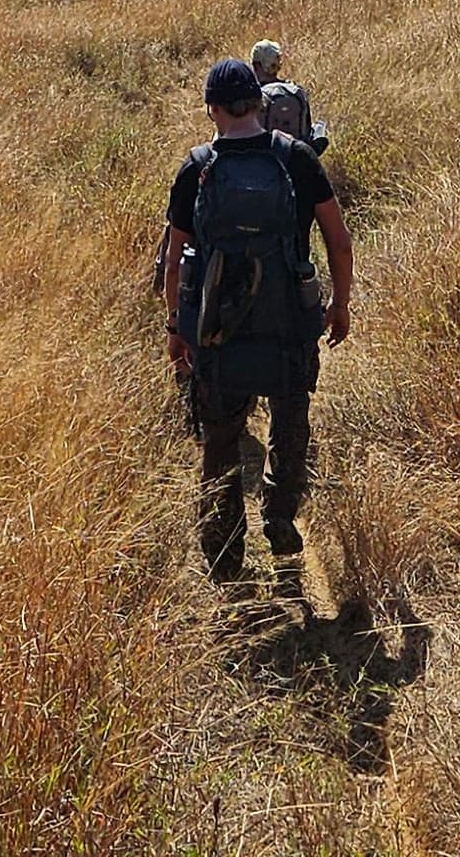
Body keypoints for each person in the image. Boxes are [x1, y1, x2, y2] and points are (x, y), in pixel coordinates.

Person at [160, 57, 353, 580]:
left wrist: (177, 328)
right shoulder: (297, 158)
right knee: (289, 423)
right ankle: (280, 516)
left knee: (221, 441)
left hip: (219, 331)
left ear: (212, 109)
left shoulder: (197, 167)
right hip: (289, 324)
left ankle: (224, 556)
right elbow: (338, 240)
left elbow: (175, 261)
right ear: (259, 103)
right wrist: (339, 305)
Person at [248, 39, 327, 153]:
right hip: (296, 157)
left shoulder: (255, 96)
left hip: (265, 159)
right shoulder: (296, 91)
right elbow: (307, 130)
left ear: (256, 65)